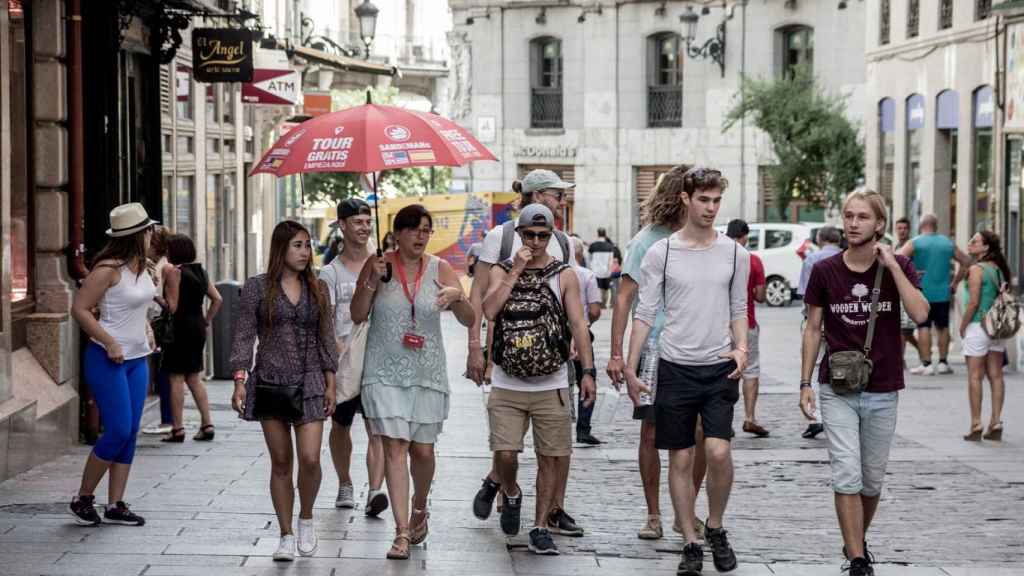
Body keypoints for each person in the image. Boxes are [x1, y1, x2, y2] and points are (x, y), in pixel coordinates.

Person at [625, 167, 749, 576]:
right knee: (680, 456)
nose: (711, 208)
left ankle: (714, 525)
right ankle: (691, 543)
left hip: (719, 367)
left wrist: (742, 348)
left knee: (718, 450)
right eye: (704, 200)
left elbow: (737, 309)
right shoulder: (663, 252)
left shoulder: (735, 253)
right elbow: (644, 312)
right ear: (686, 199)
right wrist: (629, 365)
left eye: (716, 201)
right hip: (674, 366)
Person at [800, 190, 928, 576]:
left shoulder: (898, 266)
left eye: (862, 217)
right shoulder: (825, 270)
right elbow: (813, 328)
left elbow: (920, 314)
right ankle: (857, 559)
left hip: (882, 386)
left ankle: (855, 538)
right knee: (846, 472)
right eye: (848, 216)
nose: (853, 223)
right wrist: (804, 382)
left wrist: (892, 267)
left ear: (880, 225)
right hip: (836, 387)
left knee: (871, 480)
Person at [351, 204, 474, 560]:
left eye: (426, 230)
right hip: (384, 372)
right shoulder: (378, 266)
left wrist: (459, 297)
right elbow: (358, 314)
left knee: (423, 451)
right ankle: (402, 531)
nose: (421, 236)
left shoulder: (441, 268)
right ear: (398, 233)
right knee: (395, 446)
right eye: (415, 229)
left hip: (425, 373)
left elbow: (469, 319)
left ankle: (420, 505)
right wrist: (369, 282)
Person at [466, 170, 581, 537]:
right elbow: (478, 295)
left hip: (551, 357)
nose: (561, 201)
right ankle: (504, 491)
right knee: (507, 442)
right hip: (508, 355)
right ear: (534, 196)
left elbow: (567, 295)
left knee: (556, 444)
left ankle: (551, 508)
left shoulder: (561, 240)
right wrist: (475, 347)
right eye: (555, 195)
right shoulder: (500, 238)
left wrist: (576, 343)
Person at [482, 203, 597, 556]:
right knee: (504, 453)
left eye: (542, 235)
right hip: (507, 382)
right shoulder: (502, 270)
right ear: (518, 234)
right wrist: (516, 269)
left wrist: (588, 372)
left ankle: (539, 525)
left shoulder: (564, 275)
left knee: (550, 457)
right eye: (529, 235)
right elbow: (488, 310)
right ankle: (511, 491)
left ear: (551, 236)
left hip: (552, 383)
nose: (535, 241)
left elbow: (579, 324)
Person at [607, 164, 707, 541]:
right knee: (651, 433)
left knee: (698, 433)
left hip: (698, 349)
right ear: (679, 196)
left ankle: (688, 509)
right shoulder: (646, 241)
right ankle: (653, 514)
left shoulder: (703, 239)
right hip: (655, 350)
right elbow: (624, 300)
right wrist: (617, 354)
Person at [230, 220, 338, 562]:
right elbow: (245, 335)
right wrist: (238, 380)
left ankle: (306, 517)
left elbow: (326, 336)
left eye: (307, 245)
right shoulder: (257, 288)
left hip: (310, 383)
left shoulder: (318, 288)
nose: (305, 252)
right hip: (270, 382)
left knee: (310, 458)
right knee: (280, 462)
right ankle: (286, 534)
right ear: (281, 248)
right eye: (297, 245)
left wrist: (331, 381)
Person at [69, 203, 159, 527]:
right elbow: (79, 308)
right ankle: (83, 497)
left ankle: (116, 504)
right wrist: (109, 341)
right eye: (149, 230)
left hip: (137, 358)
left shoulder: (144, 266)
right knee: (119, 429)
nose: (153, 234)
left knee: (131, 431)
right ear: (138, 235)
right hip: (107, 359)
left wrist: (147, 328)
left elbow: (139, 308)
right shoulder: (107, 269)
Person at [319, 199, 388, 515]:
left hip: (378, 358)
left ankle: (375, 490)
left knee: (377, 427)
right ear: (342, 225)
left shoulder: (383, 266)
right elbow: (325, 320)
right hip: (344, 363)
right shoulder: (329, 273)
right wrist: (330, 358)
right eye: (357, 222)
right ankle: (345, 482)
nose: (364, 227)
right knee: (341, 425)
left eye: (367, 221)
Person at [160, 234, 223, 442]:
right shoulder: (200, 271)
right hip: (197, 327)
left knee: (176, 378)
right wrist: (206, 320)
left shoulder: (174, 272)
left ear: (174, 251)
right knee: (194, 377)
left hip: (179, 329)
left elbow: (173, 306)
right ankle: (207, 424)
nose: (166, 253)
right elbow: (217, 299)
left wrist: (154, 296)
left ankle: (177, 429)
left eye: (168, 249)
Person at [899, 214, 971, 375]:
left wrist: (911, 274)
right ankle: (944, 362)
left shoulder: (915, 242)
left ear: (921, 225)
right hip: (943, 293)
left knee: (923, 327)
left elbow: (897, 259)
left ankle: (926, 364)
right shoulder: (947, 243)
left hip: (922, 292)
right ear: (936, 226)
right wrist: (955, 283)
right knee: (943, 327)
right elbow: (966, 262)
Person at [958, 230, 1011, 442]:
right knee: (996, 375)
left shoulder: (976, 269)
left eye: (975, 241)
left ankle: (976, 423)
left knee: (975, 376)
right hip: (997, 328)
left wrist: (962, 326)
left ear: (985, 247)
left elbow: (973, 302)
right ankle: (996, 421)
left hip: (978, 326)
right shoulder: (998, 270)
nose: (970, 243)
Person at [796, 225, 843, 439]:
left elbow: (806, 296)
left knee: (815, 367)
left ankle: (817, 417)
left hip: (815, 321)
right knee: (839, 365)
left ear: (820, 239)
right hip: (842, 322)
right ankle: (837, 417)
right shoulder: (846, 258)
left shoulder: (811, 260)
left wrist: (810, 323)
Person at [725, 219, 768, 437]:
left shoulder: (717, 257)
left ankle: (723, 420)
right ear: (744, 236)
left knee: (724, 371)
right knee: (750, 370)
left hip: (720, 326)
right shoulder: (753, 260)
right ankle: (750, 418)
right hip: (747, 323)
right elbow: (760, 295)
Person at [142, 226, 174, 436]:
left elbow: (167, 304)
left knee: (164, 372)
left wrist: (154, 297)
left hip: (155, 324)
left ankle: (168, 419)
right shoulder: (156, 265)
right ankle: (168, 419)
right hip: (151, 323)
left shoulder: (160, 267)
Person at [571, 236, 603, 445]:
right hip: (581, 335)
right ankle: (583, 429)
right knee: (587, 377)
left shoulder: (553, 273)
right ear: (581, 254)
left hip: (554, 336)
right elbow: (594, 310)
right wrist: (585, 322)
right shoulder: (587, 275)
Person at [588, 227, 622, 309]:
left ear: (598, 234)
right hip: (606, 271)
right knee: (606, 289)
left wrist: (590, 269)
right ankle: (603, 304)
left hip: (595, 271)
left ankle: (599, 304)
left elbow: (589, 259)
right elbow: (610, 260)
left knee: (597, 288)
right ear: (605, 234)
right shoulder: (609, 246)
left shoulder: (593, 246)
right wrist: (609, 270)